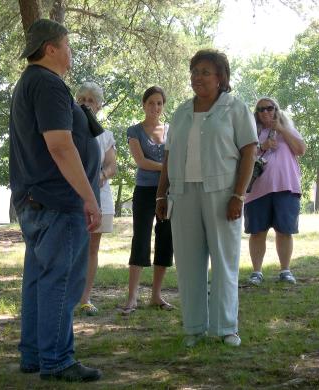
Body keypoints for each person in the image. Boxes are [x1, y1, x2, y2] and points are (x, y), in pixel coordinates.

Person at [9, 19, 102, 382]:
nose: (70, 52)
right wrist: (88, 196)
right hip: (56, 202)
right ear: (50, 48)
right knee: (60, 280)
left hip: (35, 199)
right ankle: (58, 359)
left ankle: (33, 354)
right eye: (67, 45)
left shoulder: (28, 83)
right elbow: (60, 146)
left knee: (38, 278)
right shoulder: (47, 84)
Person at [155, 49, 258, 347]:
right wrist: (162, 193)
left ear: (221, 78)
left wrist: (239, 194)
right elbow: (169, 155)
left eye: (204, 72)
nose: (197, 77)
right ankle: (194, 327)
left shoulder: (235, 108)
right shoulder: (181, 112)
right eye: (194, 71)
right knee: (188, 263)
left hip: (223, 194)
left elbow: (249, 151)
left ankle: (226, 328)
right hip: (183, 194)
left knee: (225, 261)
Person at [122, 86, 174, 315]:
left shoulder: (172, 130)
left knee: (165, 239)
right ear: (143, 105)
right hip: (144, 191)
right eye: (151, 102)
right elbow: (141, 161)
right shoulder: (134, 131)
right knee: (141, 239)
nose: (155, 107)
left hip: (168, 192)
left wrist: (167, 172)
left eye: (159, 103)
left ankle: (156, 295)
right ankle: (132, 297)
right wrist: (166, 167)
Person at [245, 97, 306, 286]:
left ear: (276, 110)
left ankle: (285, 271)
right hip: (257, 191)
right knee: (257, 232)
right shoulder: (251, 134)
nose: (265, 112)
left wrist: (281, 129)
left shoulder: (288, 130)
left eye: (269, 109)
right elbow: (241, 158)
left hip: (286, 187)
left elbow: (301, 149)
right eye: (260, 110)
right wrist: (262, 146)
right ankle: (256, 272)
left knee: (284, 231)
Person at [76, 82, 117, 315]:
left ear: (99, 106)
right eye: (81, 99)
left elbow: (112, 166)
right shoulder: (67, 132)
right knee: (71, 247)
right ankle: (67, 296)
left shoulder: (105, 136)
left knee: (92, 248)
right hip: (73, 198)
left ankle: (85, 298)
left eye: (90, 100)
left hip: (100, 197)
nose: (85, 104)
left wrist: (100, 175)